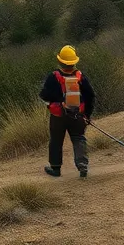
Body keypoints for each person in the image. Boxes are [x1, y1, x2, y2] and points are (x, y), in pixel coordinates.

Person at [39, 44, 95, 178]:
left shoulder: (53, 77)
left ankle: (56, 169)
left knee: (56, 141)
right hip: (78, 115)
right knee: (79, 138)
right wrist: (87, 115)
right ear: (75, 61)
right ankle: (82, 165)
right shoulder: (81, 77)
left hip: (58, 116)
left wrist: (54, 103)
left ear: (60, 61)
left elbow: (43, 96)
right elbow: (91, 96)